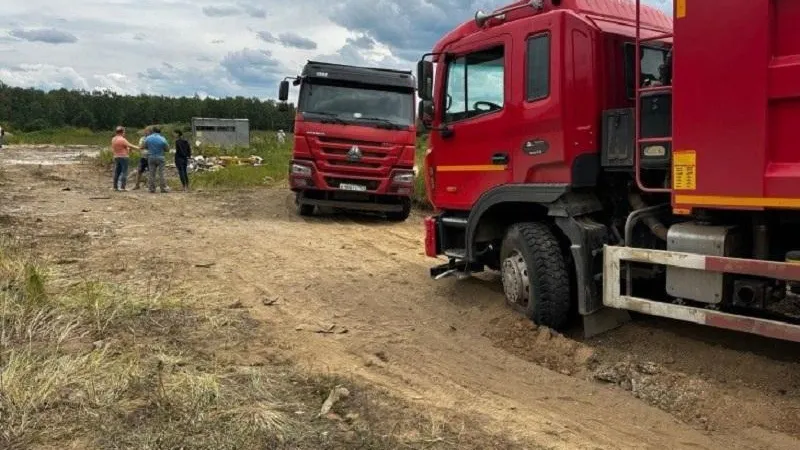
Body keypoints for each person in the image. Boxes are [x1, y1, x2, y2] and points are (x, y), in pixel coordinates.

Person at [110, 126, 140, 191]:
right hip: (124, 157)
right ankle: (122, 187)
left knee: (117, 172)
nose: (124, 133)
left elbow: (121, 147)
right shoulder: (122, 139)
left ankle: (115, 187)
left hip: (116, 157)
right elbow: (130, 145)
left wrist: (128, 149)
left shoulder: (113, 139)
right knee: (124, 172)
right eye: (124, 132)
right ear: (122, 132)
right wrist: (139, 148)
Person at [143, 126, 169, 193]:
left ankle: (151, 188)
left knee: (151, 173)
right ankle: (163, 188)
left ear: (153, 131)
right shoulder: (162, 138)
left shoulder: (148, 138)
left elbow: (145, 146)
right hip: (160, 156)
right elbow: (167, 149)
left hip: (151, 157)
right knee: (162, 173)